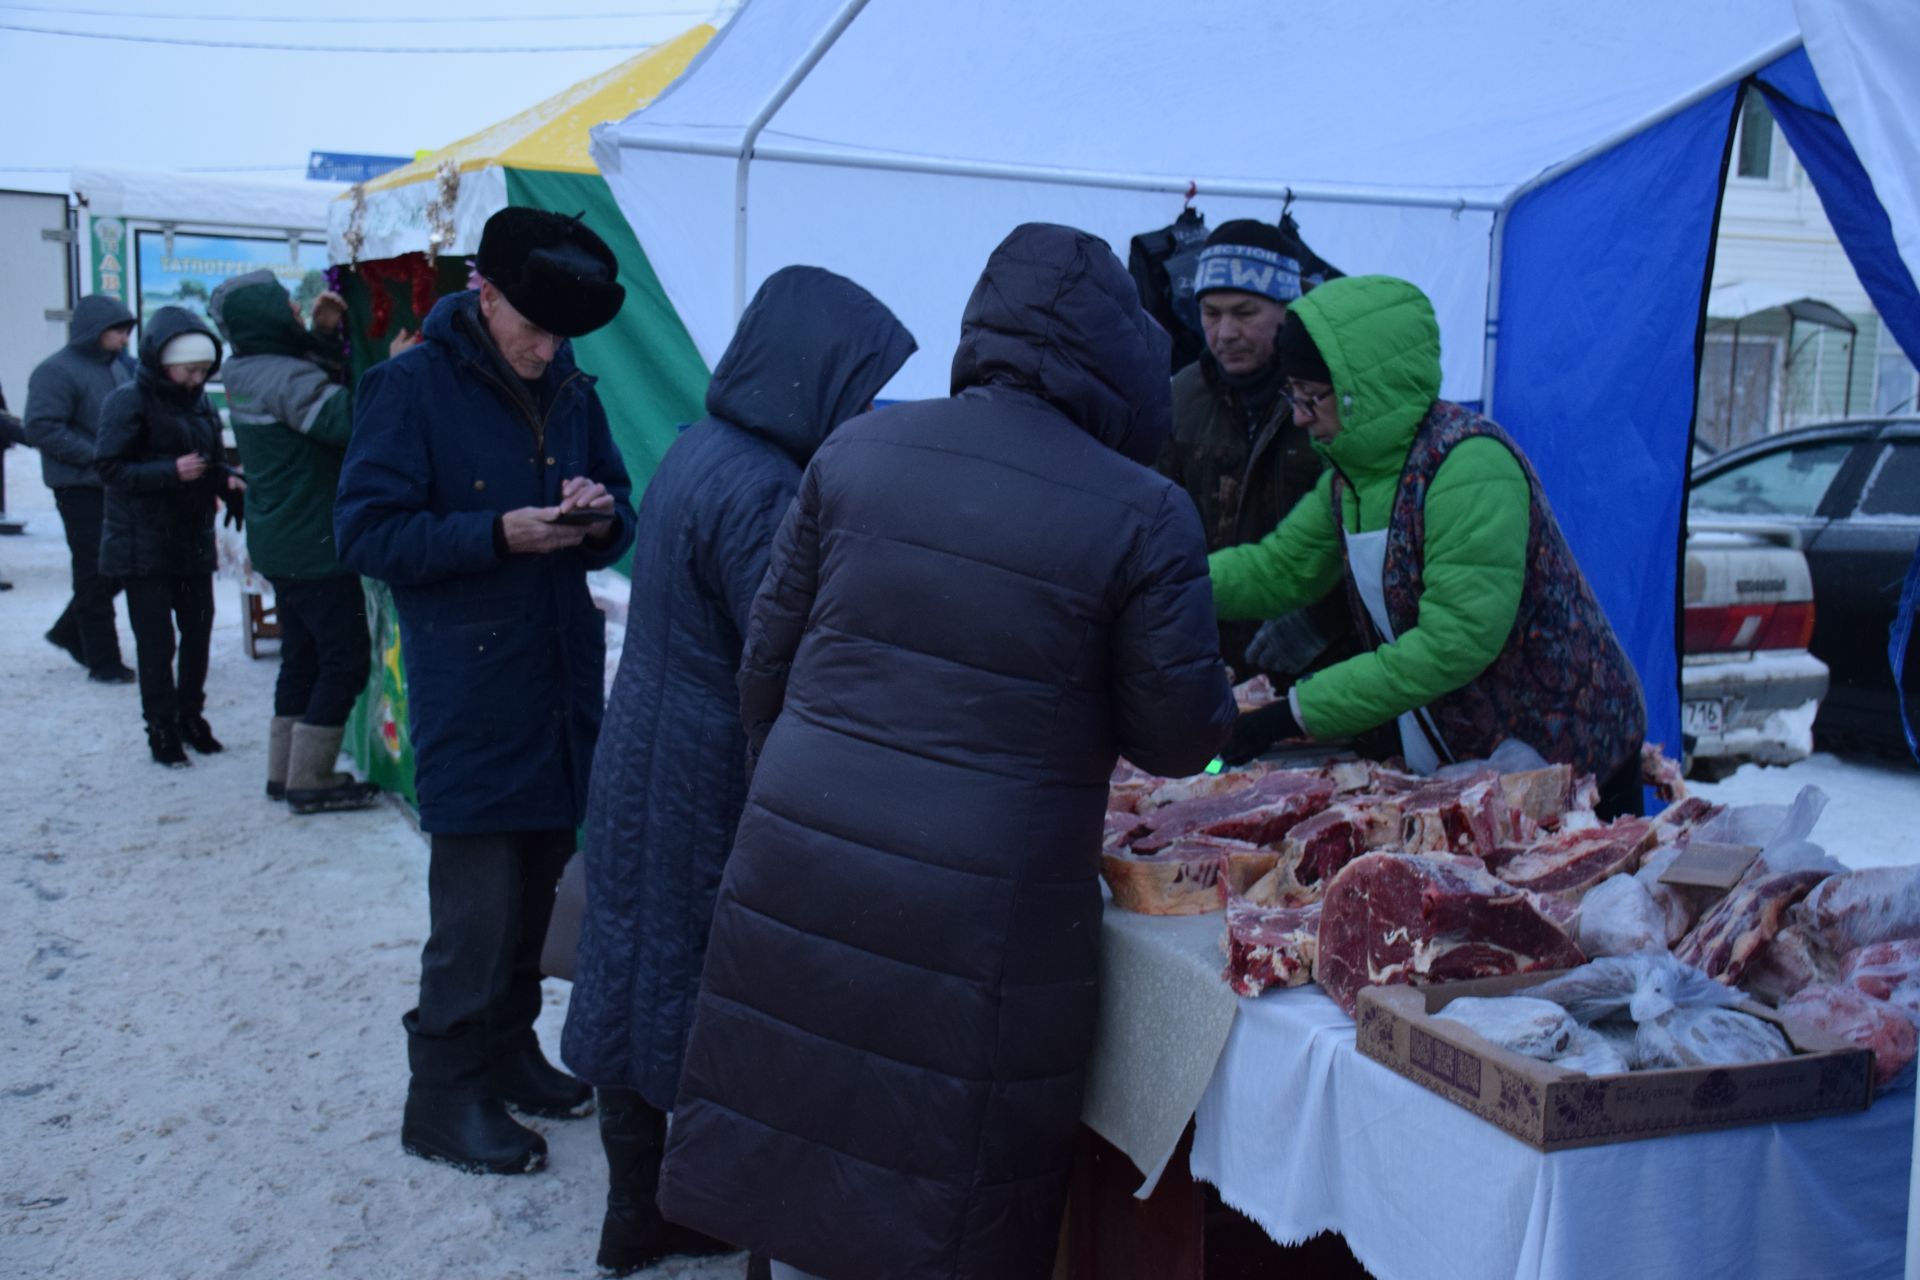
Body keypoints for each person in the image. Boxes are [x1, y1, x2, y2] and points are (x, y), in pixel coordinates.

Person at [654, 223, 1238, 1280]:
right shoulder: (1145, 509)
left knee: (797, 1132)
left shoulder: (855, 450)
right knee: (944, 1187)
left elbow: (764, 672)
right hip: (987, 903)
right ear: (1121, 357)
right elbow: (1178, 738)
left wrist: (807, 796)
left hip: (806, 856)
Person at [561, 266, 914, 1275]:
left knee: (633, 960)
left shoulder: (700, 446)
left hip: (649, 741)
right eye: (857, 386)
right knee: (707, 983)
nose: (860, 409)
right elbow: (790, 645)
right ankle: (686, 1202)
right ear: (814, 374)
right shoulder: (763, 485)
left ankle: (642, 1207)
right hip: (707, 761)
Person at [334, 207, 638, 1177]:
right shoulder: (409, 387)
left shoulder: (576, 389)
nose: (548, 350)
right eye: (534, 329)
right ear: (485, 293)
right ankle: (443, 1092)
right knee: (474, 906)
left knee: (539, 885)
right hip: (470, 685)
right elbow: (366, 534)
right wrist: (493, 535)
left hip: (560, 679)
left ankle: (508, 1050)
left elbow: (622, 510)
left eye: (562, 335)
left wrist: (596, 518)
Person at [1210, 274, 1648, 815]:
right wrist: (1170, 583)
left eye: (1311, 398)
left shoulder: (1468, 464)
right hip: (1473, 760)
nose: (1299, 417)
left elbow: (1455, 640)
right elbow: (1279, 569)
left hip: (1565, 758)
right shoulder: (1353, 476)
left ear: (1359, 390)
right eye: (1292, 396)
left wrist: (1292, 713)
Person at [211, 269, 414, 814]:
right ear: (266, 318)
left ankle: (285, 774)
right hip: (314, 542)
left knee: (300, 656)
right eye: (287, 305)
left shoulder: (245, 367)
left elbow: (299, 390)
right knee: (344, 660)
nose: (297, 310)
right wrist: (394, 370)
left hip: (280, 537)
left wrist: (323, 337)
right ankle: (311, 779)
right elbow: (348, 422)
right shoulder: (281, 376)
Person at [1157, 220, 1355, 685]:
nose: (1225, 332)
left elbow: (1372, 532)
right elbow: (1152, 524)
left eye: (1244, 312)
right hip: (1212, 657)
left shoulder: (1330, 398)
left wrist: (1323, 620)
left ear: (1288, 308)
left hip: (1329, 665)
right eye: (1210, 313)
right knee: (1214, 761)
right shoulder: (1178, 399)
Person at [93, 307, 243, 766]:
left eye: (203, 371)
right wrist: (168, 472)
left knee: (198, 634)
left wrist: (228, 483)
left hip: (191, 538)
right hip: (143, 545)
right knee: (158, 643)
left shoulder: (199, 403)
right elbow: (109, 466)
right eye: (189, 370)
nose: (197, 380)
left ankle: (190, 715)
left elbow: (210, 459)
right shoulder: (127, 401)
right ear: (162, 361)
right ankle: (160, 727)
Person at [26, 294, 138, 681]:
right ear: (94, 330)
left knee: (120, 565)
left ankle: (69, 631)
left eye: (126, 332)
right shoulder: (55, 371)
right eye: (118, 331)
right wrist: (97, 456)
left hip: (115, 484)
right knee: (95, 570)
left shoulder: (118, 369)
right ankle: (103, 662)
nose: (124, 340)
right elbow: (41, 426)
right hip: (79, 487)